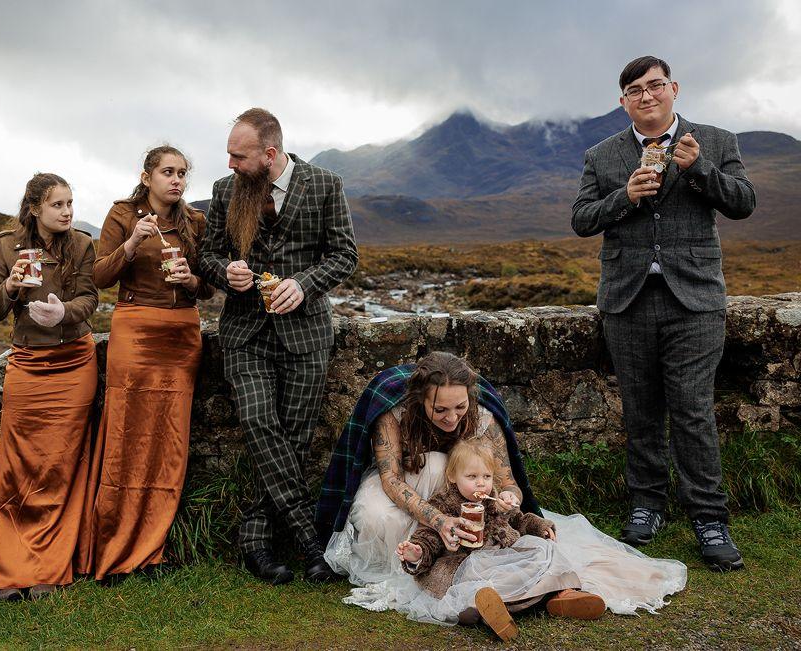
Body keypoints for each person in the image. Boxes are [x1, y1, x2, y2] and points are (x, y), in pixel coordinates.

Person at [317, 352, 687, 626]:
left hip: (467, 491)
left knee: (479, 499)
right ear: (419, 400)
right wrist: (441, 520)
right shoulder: (394, 411)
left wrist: (512, 498)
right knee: (381, 511)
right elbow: (391, 479)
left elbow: (505, 479)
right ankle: (429, 562)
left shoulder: (482, 418)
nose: (451, 418)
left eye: (459, 407)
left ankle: (542, 591)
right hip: (412, 490)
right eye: (439, 410)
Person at [572, 55, 756, 571]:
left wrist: (700, 171)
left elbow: (744, 202)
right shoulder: (602, 155)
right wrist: (623, 197)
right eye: (635, 90)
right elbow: (582, 219)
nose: (646, 96)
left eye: (655, 86)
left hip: (695, 299)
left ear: (673, 88)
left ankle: (709, 518)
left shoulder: (715, 141)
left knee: (693, 409)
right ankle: (647, 505)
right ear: (623, 100)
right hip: (627, 300)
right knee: (640, 408)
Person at [198, 108, 358, 584]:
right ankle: (312, 541)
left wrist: (305, 284)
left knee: (295, 436)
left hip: (306, 334)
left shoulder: (325, 185)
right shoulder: (226, 191)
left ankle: (255, 538)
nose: (229, 164)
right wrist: (225, 273)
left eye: (237, 155)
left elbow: (346, 254)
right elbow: (207, 256)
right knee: (258, 420)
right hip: (244, 334)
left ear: (270, 155)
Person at [83, 145, 214, 581]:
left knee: (169, 440)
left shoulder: (195, 221)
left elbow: (208, 286)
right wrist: (133, 241)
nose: (176, 181)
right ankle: (114, 549)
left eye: (182, 174)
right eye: (167, 172)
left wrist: (191, 279)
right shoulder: (123, 214)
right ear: (147, 177)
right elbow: (99, 277)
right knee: (126, 436)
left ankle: (150, 549)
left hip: (181, 336)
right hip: (136, 333)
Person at [0, 172, 99, 600]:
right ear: (34, 209)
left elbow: (89, 298)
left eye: (69, 203)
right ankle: (7, 567)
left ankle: (48, 566)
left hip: (75, 362)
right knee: (18, 463)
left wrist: (64, 313)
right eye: (58, 205)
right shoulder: (6, 245)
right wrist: (10, 287)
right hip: (27, 363)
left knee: (60, 464)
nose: (67, 212)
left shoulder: (81, 244)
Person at [396, 440, 602, 640]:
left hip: (501, 557)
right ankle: (492, 608)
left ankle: (563, 593)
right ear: (452, 476)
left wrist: (537, 526)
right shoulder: (442, 504)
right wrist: (418, 553)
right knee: (469, 592)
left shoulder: (494, 499)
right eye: (472, 476)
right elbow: (428, 536)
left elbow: (518, 520)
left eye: (487, 476)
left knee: (543, 548)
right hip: (465, 564)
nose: (481, 483)